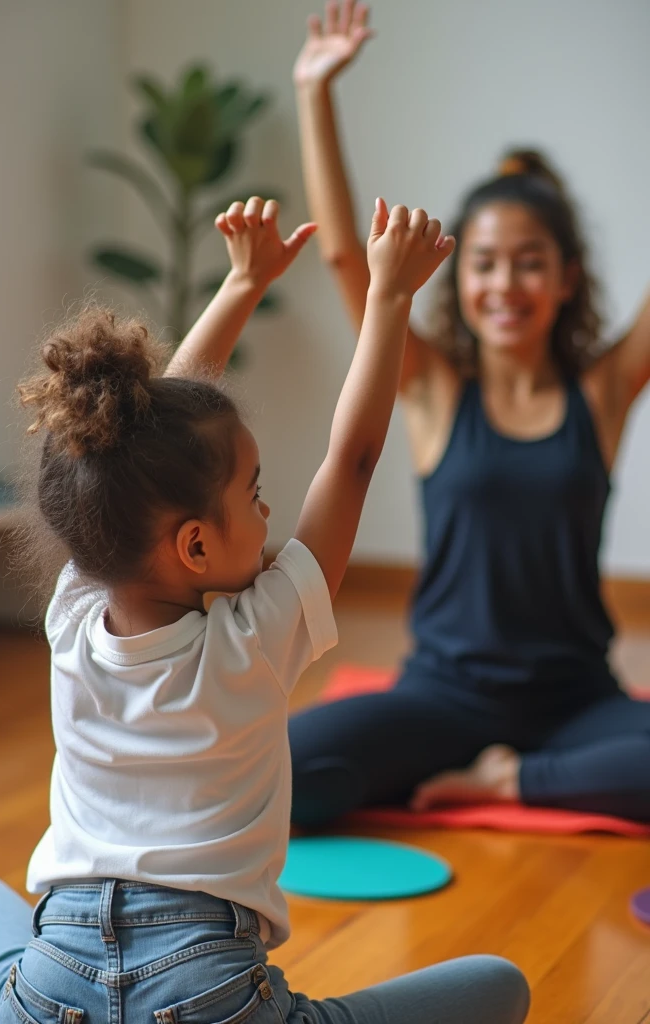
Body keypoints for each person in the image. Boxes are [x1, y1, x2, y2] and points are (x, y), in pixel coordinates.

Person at [0, 197, 529, 1024]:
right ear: (193, 545)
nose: (268, 515)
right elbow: (356, 456)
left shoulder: (72, 611)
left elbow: (145, 446)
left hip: (53, 990)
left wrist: (240, 285)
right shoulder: (255, 639)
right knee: (500, 985)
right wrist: (389, 299)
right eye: (256, 495)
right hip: (212, 996)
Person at [289, 0, 650, 828]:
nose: (506, 284)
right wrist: (315, 94)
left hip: (578, 697)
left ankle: (512, 781)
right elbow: (346, 255)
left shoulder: (603, 391)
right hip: (445, 696)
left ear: (566, 280)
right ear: (459, 279)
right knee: (277, 774)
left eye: (531, 264)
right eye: (485, 263)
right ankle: (539, 773)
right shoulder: (431, 385)